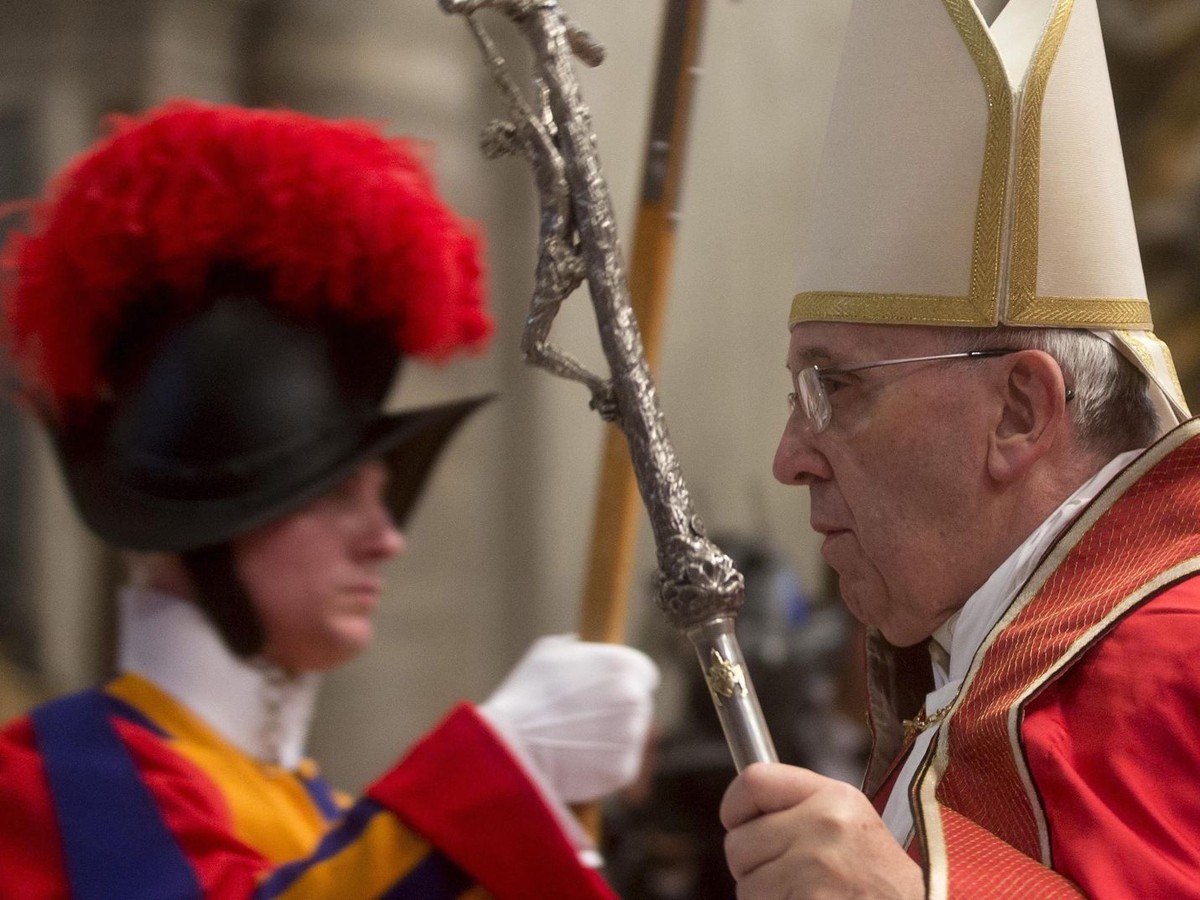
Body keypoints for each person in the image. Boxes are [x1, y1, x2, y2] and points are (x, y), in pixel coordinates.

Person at [0, 100, 659, 899]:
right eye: (339, 495)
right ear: (218, 515)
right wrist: (500, 771)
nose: (387, 539)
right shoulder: (50, 779)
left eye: (381, 497)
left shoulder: (330, 819)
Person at [720, 0, 1200, 896]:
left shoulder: (1172, 655)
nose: (790, 455)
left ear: (1020, 410)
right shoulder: (974, 665)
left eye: (837, 388)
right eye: (797, 395)